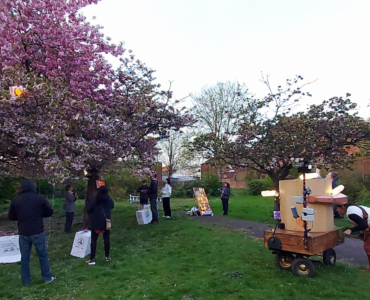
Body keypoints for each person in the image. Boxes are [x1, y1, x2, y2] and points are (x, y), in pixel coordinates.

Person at [8, 179, 56, 286]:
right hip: (37, 231)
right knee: (42, 255)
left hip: (23, 232)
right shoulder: (39, 198)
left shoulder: (16, 200)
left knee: (24, 258)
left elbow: (11, 216)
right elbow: (49, 211)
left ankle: (26, 282)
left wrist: (21, 217)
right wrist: (40, 215)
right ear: (32, 187)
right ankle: (47, 278)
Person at [337, 204, 370, 273]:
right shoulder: (353, 208)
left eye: (338, 208)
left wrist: (351, 230)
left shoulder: (350, 213)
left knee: (367, 247)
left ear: (343, 206)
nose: (337, 210)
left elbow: (363, 225)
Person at [86, 185, 114, 265]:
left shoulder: (95, 199)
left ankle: (92, 258)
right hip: (106, 222)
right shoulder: (108, 199)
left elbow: (88, 209)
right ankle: (107, 256)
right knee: (106, 239)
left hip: (96, 222)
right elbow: (112, 206)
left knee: (94, 240)